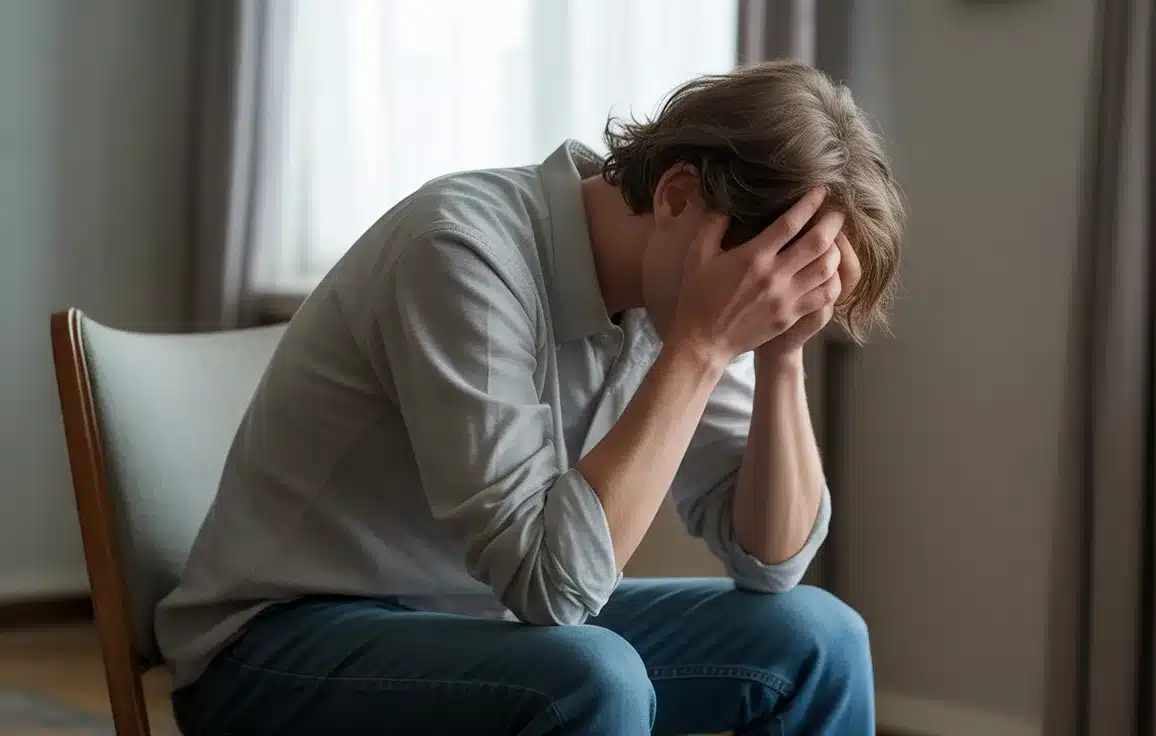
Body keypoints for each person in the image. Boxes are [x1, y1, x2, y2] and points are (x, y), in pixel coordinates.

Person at [159, 60, 905, 735]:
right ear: (677, 196)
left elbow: (770, 563)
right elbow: (555, 588)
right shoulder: (460, 250)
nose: (761, 310)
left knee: (819, 640)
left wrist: (781, 358)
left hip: (489, 625)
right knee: (590, 679)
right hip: (277, 647)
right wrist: (702, 349)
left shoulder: (678, 294)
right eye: (763, 284)